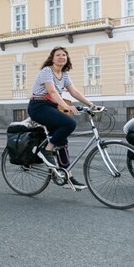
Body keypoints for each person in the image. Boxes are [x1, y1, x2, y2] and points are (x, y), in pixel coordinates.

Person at [28, 46, 97, 190]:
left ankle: (67, 177)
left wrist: (91, 105)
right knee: (69, 124)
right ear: (52, 59)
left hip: (51, 107)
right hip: (38, 107)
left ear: (67, 59)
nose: (61, 57)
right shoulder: (47, 71)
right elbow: (52, 91)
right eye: (58, 55)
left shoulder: (64, 74)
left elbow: (74, 91)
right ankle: (46, 150)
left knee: (62, 141)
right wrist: (65, 106)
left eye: (64, 55)